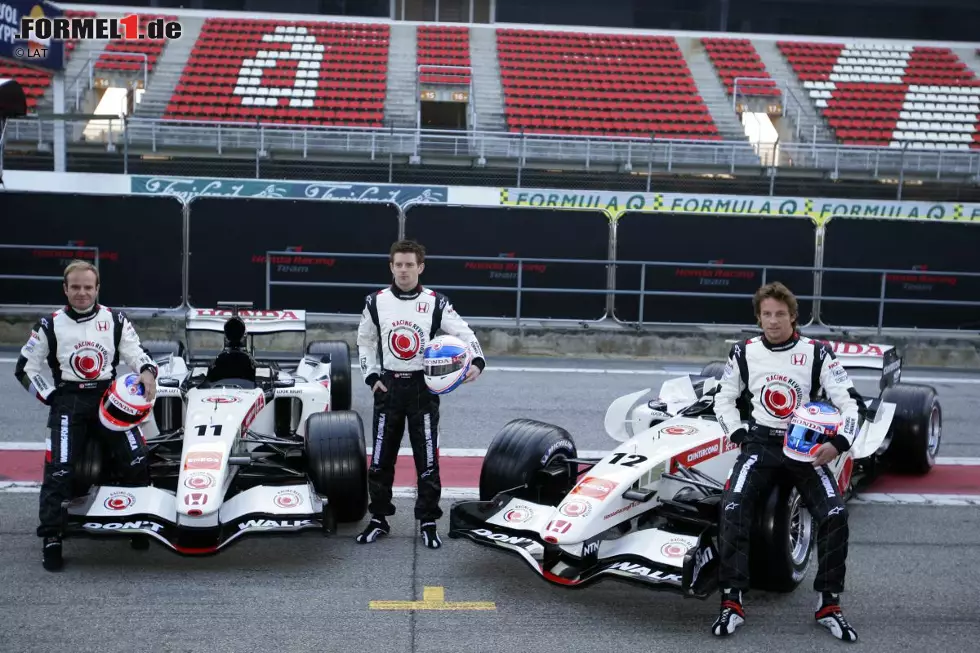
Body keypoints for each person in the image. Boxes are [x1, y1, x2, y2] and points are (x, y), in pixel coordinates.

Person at [710, 282, 863, 642]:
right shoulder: (743, 351)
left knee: (835, 514)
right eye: (767, 314)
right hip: (760, 443)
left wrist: (838, 442)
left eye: (780, 314)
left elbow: (852, 404)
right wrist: (737, 433)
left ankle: (829, 604)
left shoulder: (817, 352)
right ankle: (732, 600)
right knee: (732, 505)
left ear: (793, 317)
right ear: (758, 317)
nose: (773, 321)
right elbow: (724, 400)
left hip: (806, 446)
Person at [14, 259, 159, 572]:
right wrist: (51, 396)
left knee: (136, 458)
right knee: (60, 469)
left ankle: (137, 521)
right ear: (66, 289)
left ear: (97, 289)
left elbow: (137, 355)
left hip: (109, 400)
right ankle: (52, 536)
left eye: (88, 287)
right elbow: (24, 368)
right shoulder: (49, 325)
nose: (82, 293)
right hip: (68, 401)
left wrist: (147, 372)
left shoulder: (115, 319)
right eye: (75, 287)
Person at [355, 239, 486, 549]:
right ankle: (379, 519)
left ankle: (428, 521)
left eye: (409, 264)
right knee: (380, 462)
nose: (403, 270)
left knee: (427, 461)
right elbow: (364, 342)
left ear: (420, 267)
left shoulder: (436, 302)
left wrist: (478, 360)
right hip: (388, 389)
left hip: (422, 390)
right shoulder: (376, 301)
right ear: (391, 266)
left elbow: (465, 333)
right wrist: (371, 376)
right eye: (398, 264)